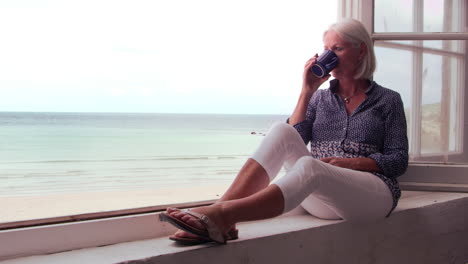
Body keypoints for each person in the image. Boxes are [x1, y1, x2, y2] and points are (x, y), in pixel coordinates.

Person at [159, 18, 409, 244]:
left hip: (372, 196)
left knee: (312, 167)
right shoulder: (319, 99)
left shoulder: (387, 100)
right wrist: (307, 90)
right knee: (281, 130)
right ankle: (221, 214)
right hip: (323, 199)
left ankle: (222, 214)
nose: (328, 56)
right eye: (326, 49)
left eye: (337, 49)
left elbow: (397, 161)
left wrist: (347, 164)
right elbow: (295, 140)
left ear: (361, 50)